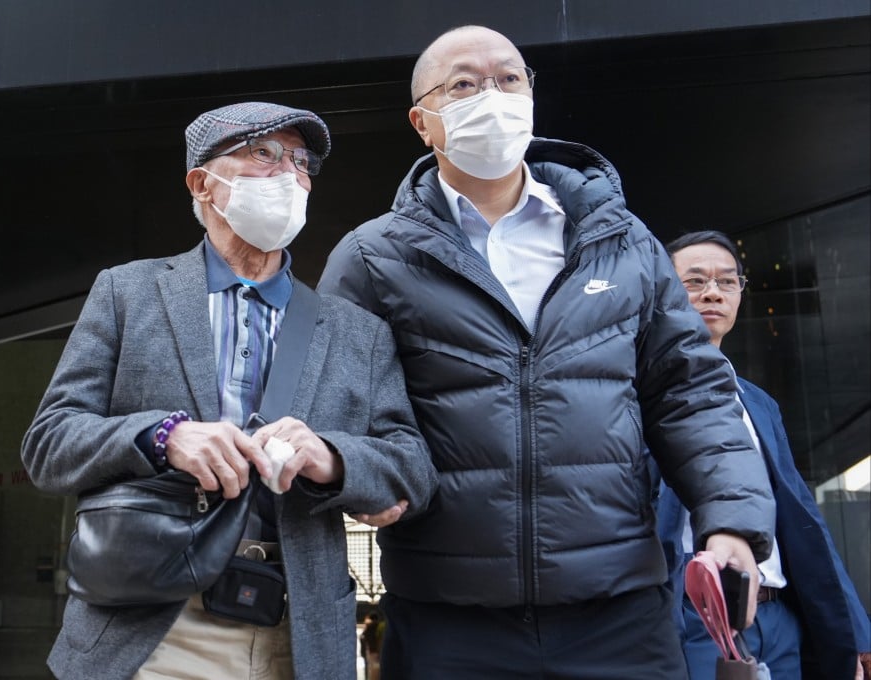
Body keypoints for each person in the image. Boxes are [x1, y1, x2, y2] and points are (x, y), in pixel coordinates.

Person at [317, 25, 776, 678]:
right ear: (424, 122)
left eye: (509, 79)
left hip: (619, 613)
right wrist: (362, 479)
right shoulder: (371, 259)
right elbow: (339, 407)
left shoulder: (620, 241)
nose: (493, 95)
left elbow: (690, 392)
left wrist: (731, 522)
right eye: (465, 84)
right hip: (449, 620)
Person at [21, 101, 438, 680]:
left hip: (299, 631)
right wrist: (163, 436)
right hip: (153, 627)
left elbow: (412, 470)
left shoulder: (357, 332)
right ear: (204, 184)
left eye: (300, 161)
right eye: (264, 154)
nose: (289, 173)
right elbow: (49, 446)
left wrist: (335, 457)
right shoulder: (128, 292)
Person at [659, 230, 871, 680]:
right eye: (693, 281)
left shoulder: (759, 403)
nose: (713, 292)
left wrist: (854, 630)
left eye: (727, 281)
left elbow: (803, 520)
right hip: (693, 615)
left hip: (778, 619)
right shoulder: (636, 391)